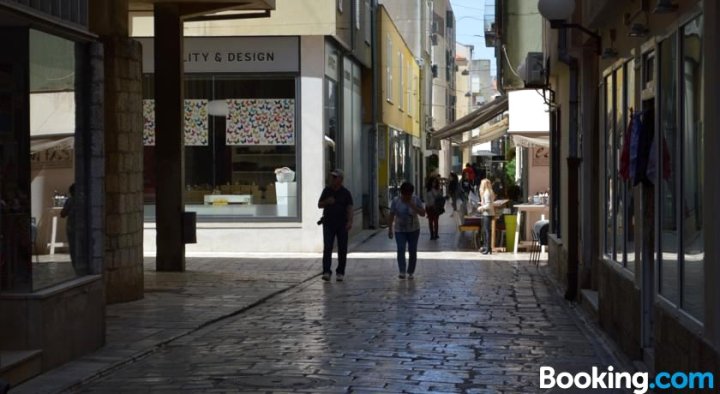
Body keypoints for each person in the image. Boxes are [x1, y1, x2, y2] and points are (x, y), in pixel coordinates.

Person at [317, 169, 353, 282]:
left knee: (342, 248)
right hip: (328, 223)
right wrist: (327, 201)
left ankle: (340, 272)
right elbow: (319, 204)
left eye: (335, 177)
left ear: (340, 179)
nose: (332, 179)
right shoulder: (326, 191)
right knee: (327, 247)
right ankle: (326, 271)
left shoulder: (346, 193)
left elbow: (350, 208)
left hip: (342, 224)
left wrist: (350, 221)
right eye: (332, 177)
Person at [387, 182, 426, 279]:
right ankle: (402, 271)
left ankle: (411, 271)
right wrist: (390, 229)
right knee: (401, 249)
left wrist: (413, 206)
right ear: (402, 193)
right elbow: (391, 214)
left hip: (414, 229)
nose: (407, 197)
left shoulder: (416, 199)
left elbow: (422, 213)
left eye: (409, 194)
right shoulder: (396, 201)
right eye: (405, 194)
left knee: (412, 250)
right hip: (400, 229)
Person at [60, 183, 78, 271]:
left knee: (73, 247)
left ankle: (75, 265)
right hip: (79, 227)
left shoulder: (70, 201)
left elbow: (63, 214)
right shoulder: (85, 200)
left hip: (72, 227)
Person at [477, 178, 496, 255]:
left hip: (487, 214)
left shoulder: (487, 193)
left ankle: (487, 248)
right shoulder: (489, 192)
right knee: (485, 231)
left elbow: (489, 205)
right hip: (487, 213)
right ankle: (486, 247)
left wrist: (481, 207)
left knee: (487, 231)